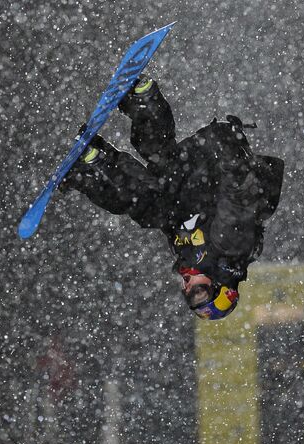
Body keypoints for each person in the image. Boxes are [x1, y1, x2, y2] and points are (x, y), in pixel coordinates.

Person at [62, 76, 284, 320]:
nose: (189, 288)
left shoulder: (194, 256)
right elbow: (240, 200)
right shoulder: (230, 247)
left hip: (195, 177)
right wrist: (228, 155)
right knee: (155, 190)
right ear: (220, 285)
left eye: (189, 296)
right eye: (200, 292)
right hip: (212, 164)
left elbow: (160, 210)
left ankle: (135, 110)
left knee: (152, 188)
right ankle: (97, 163)